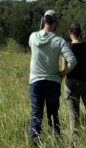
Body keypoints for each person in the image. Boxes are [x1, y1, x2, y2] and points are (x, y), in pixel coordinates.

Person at [28, 10, 77, 146]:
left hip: (35, 82)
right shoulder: (59, 41)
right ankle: (57, 143)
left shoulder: (33, 37)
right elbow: (72, 61)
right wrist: (62, 73)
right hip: (53, 82)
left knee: (36, 116)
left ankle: (35, 144)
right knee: (53, 116)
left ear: (44, 21)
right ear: (55, 23)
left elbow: (33, 44)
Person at [65, 23, 86, 145]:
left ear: (70, 33)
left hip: (71, 84)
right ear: (80, 32)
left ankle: (74, 144)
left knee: (73, 116)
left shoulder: (67, 48)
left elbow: (64, 68)